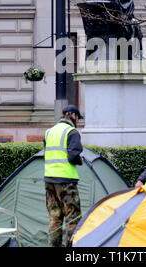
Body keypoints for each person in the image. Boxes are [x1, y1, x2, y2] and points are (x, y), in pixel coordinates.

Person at [44, 104, 84, 247]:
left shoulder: (49, 131)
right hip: (66, 180)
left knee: (55, 217)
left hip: (49, 180)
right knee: (73, 218)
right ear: (73, 115)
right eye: (78, 118)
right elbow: (73, 155)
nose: (77, 122)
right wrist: (80, 161)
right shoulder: (72, 132)